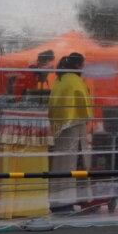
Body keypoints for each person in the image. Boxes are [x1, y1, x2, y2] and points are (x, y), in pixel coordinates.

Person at [47, 53, 94, 212]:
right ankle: (66, 201)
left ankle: (60, 199)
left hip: (61, 126)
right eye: (83, 64)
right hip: (74, 125)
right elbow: (84, 103)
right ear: (77, 65)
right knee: (71, 163)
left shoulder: (59, 80)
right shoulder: (75, 81)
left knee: (62, 162)